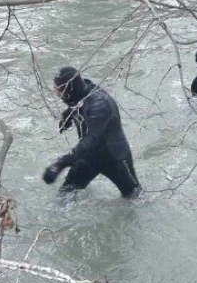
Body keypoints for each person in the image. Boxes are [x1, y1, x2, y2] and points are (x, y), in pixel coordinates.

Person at [42, 67, 142, 198]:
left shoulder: (100, 104)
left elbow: (90, 140)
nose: (56, 94)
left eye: (58, 91)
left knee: (135, 197)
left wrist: (60, 164)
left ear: (68, 91)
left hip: (115, 158)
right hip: (89, 158)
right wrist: (68, 115)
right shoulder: (80, 93)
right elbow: (79, 104)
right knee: (65, 194)